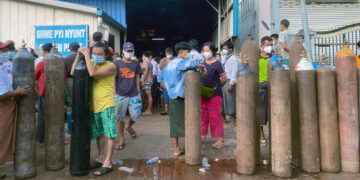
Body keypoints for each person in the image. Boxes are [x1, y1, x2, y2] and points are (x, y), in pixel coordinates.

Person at [70, 43, 117, 176]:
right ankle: (101, 157)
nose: (97, 56)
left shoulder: (111, 66)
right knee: (99, 133)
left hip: (106, 104)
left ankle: (108, 162)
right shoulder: (90, 61)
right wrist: (78, 56)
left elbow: (92, 73)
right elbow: (73, 72)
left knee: (110, 134)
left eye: (100, 54)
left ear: (106, 55)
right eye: (95, 54)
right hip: (94, 105)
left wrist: (87, 56)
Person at [158, 41, 206, 156]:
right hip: (180, 97)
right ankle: (190, 149)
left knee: (174, 123)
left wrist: (168, 87)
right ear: (181, 52)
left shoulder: (169, 64)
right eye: (188, 52)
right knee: (189, 122)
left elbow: (160, 79)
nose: (189, 54)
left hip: (172, 96)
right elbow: (191, 64)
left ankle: (177, 149)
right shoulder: (180, 63)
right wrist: (203, 66)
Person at [0, 41, 31, 170]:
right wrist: (17, 92)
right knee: (2, 137)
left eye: (6, 50)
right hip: (3, 106)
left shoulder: (2, 66)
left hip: (8, 104)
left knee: (6, 138)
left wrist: (14, 92)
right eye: (3, 51)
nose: (5, 53)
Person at [35, 43, 66, 145]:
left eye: (43, 52)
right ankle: (55, 138)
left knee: (43, 116)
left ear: (46, 52)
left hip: (44, 93)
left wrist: (39, 88)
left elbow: (35, 77)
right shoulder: (61, 62)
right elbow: (63, 79)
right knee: (56, 115)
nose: (42, 54)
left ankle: (42, 139)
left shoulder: (42, 63)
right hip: (56, 94)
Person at [113, 42, 142, 151]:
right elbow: (113, 78)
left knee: (136, 115)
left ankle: (129, 126)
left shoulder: (135, 63)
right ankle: (121, 138)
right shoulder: (116, 63)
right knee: (119, 118)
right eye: (127, 51)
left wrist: (138, 91)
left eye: (131, 51)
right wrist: (114, 92)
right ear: (123, 52)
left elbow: (137, 77)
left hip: (134, 94)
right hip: (120, 94)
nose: (129, 53)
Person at [200, 42, 228, 149]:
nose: (206, 52)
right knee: (203, 115)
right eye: (204, 50)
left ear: (212, 51)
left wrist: (216, 87)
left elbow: (224, 79)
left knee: (215, 116)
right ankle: (203, 136)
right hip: (203, 93)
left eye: (208, 50)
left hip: (215, 94)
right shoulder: (202, 64)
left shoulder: (217, 64)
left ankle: (220, 139)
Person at [259, 36, 273, 147]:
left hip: (273, 88)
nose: (270, 47)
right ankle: (261, 136)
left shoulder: (273, 58)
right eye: (268, 45)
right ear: (262, 46)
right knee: (261, 114)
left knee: (273, 113)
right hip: (260, 88)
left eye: (271, 45)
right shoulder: (256, 58)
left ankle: (274, 135)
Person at [220, 41, 238, 124]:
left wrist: (231, 83)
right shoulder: (225, 57)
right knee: (223, 99)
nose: (223, 50)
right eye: (223, 48)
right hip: (223, 79)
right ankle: (223, 117)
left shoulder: (233, 59)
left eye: (225, 49)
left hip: (229, 80)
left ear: (230, 49)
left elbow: (234, 71)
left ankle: (232, 118)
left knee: (230, 100)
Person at [64, 42, 80, 133]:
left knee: (70, 106)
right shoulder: (83, 58)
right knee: (81, 105)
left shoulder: (66, 59)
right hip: (81, 81)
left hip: (69, 82)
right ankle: (79, 127)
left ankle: (70, 128)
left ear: (70, 49)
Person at [158, 47, 175, 115]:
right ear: (165, 53)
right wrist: (161, 82)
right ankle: (166, 110)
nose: (169, 54)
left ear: (172, 53)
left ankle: (173, 110)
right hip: (165, 80)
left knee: (173, 95)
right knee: (165, 95)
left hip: (174, 81)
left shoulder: (175, 60)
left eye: (170, 53)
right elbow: (161, 71)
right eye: (168, 53)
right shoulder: (162, 60)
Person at [142, 51, 154, 115]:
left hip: (147, 80)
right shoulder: (150, 62)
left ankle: (149, 110)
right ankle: (148, 109)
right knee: (148, 95)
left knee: (148, 95)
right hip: (150, 80)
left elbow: (145, 71)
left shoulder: (146, 61)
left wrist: (143, 80)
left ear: (144, 55)